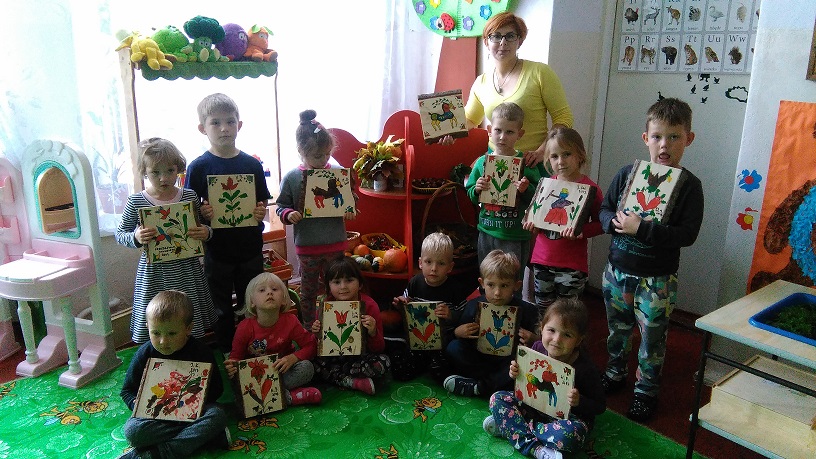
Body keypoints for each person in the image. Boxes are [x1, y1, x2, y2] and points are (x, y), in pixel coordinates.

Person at [599, 97, 704, 422]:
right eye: (657, 136)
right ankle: (615, 373)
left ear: (688, 139)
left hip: (657, 280)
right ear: (646, 138)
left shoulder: (689, 186)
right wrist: (612, 223)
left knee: (652, 339)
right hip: (617, 272)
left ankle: (645, 392)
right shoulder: (627, 174)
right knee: (617, 329)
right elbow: (604, 209)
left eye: (674, 137)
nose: (664, 145)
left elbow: (687, 234)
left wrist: (642, 229)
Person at [185, 93, 272, 352]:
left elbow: (261, 201)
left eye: (230, 121)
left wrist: (260, 212)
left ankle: (253, 348)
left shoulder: (252, 164)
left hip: (249, 248)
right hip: (217, 251)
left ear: (239, 125)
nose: (224, 128)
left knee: (252, 301)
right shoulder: (198, 167)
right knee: (220, 306)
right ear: (202, 128)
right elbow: (189, 210)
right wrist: (202, 212)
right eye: (215, 122)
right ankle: (226, 351)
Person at [115, 137, 217, 344]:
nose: (164, 178)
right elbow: (120, 234)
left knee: (188, 319)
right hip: (155, 274)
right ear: (144, 172)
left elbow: (203, 227)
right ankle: (156, 353)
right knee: (157, 317)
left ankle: (192, 351)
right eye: (155, 172)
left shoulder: (189, 197)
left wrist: (206, 233)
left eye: (170, 171)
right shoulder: (136, 201)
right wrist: (136, 237)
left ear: (177, 168)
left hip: (186, 271)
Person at [483, 298, 606, 459]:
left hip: (565, 420)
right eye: (551, 330)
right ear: (541, 328)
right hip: (533, 408)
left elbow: (599, 406)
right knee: (497, 398)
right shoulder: (537, 348)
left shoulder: (586, 369)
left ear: (579, 340)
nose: (556, 340)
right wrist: (516, 374)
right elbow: (526, 385)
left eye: (567, 335)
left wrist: (579, 401)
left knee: (570, 436)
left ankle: (513, 428)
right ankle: (535, 448)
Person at [119, 290, 228, 459]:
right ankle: (204, 438)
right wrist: (137, 404)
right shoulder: (144, 353)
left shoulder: (201, 352)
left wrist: (196, 399)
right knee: (133, 432)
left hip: (194, 414)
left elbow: (217, 389)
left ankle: (159, 453)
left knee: (218, 415)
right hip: (158, 418)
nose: (163, 341)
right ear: (147, 327)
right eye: (156, 333)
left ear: (188, 329)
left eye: (171, 333)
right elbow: (127, 391)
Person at [276, 109, 357, 328]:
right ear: (301, 152)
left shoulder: (338, 172)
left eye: (327, 154)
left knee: (337, 288)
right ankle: (310, 327)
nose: (324, 160)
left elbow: (351, 199)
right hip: (308, 247)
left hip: (335, 244)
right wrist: (289, 214)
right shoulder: (292, 177)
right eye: (317, 156)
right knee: (308, 290)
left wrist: (350, 209)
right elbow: (281, 206)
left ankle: (336, 326)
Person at [464, 11, 573, 166]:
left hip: (532, 162)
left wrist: (542, 151)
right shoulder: (481, 82)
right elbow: (470, 119)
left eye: (510, 36)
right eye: (496, 36)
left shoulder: (540, 72)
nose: (503, 42)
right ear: (487, 42)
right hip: (496, 161)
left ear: (519, 41)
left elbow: (563, 118)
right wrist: (448, 132)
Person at [523, 127, 603, 312]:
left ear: (580, 155)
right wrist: (532, 224)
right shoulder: (546, 185)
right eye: (554, 156)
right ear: (548, 160)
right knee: (543, 311)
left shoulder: (590, 189)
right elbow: (537, 217)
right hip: (542, 261)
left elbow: (602, 224)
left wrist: (581, 231)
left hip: (572, 265)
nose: (560, 161)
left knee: (567, 314)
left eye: (567, 154)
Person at [443, 250, 539, 397]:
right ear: (482, 283)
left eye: (504, 286)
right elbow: (456, 336)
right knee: (454, 348)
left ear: (516, 285)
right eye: (491, 285)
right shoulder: (473, 306)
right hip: (479, 361)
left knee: (523, 364)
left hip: (508, 365)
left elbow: (541, 347)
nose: (497, 293)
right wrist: (458, 332)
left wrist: (533, 340)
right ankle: (491, 384)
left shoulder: (528, 310)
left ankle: (479, 387)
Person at [466, 102, 547, 274]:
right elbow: (471, 193)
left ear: (520, 134)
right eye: (498, 130)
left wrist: (526, 189)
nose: (502, 137)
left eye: (509, 132)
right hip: (487, 231)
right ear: (490, 130)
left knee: (512, 279)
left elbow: (538, 198)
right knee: (487, 277)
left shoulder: (527, 165)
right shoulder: (482, 162)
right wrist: (477, 189)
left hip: (515, 234)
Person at [224, 272, 322, 406]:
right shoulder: (244, 327)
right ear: (252, 302)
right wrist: (232, 367)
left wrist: (293, 358)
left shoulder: (291, 321)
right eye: (262, 290)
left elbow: (311, 346)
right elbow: (236, 358)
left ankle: (277, 396)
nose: (269, 292)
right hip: (257, 377)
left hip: (283, 372)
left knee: (307, 367)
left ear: (284, 299)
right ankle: (290, 397)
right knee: (236, 384)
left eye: (274, 289)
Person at [390, 232, 473, 381]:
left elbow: (464, 316)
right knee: (400, 369)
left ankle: (433, 366)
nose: (434, 268)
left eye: (441, 263)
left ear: (450, 267)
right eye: (429, 262)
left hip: (444, 341)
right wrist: (401, 304)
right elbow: (405, 303)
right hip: (417, 340)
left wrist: (450, 314)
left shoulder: (455, 288)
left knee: (441, 371)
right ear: (420, 263)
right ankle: (422, 363)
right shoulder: (415, 282)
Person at [310, 256, 390, 395]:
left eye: (349, 280)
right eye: (336, 282)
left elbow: (379, 348)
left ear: (360, 284)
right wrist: (317, 334)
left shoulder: (369, 306)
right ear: (328, 286)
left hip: (361, 358)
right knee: (311, 364)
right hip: (334, 359)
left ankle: (339, 377)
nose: (343, 287)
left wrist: (373, 332)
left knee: (383, 362)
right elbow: (317, 348)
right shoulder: (325, 307)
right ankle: (351, 381)